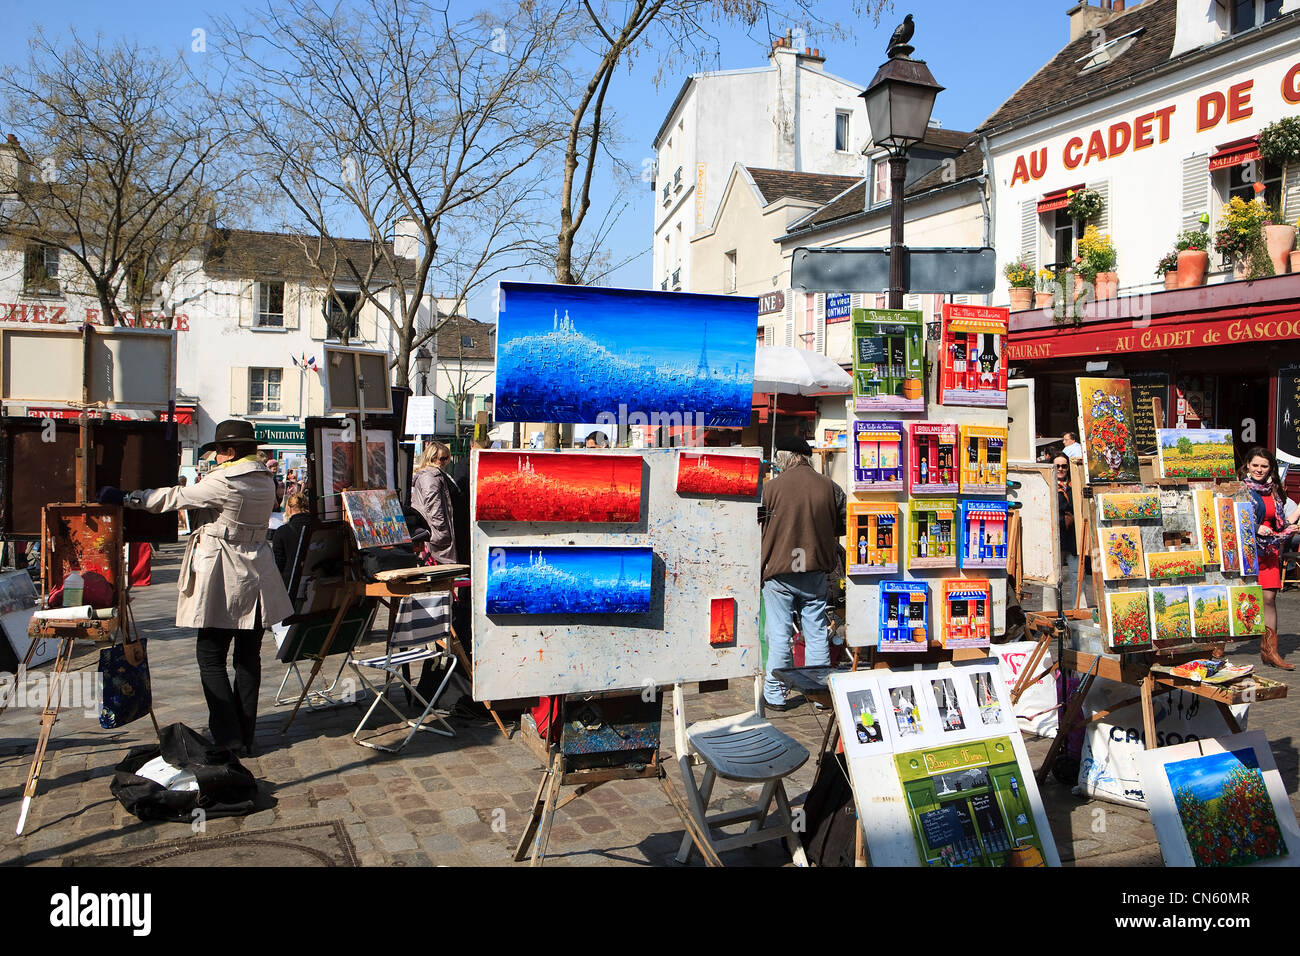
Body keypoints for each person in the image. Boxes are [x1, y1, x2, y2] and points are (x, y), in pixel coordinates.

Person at [98, 419, 293, 756]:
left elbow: (176, 498)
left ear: (229, 452)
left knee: (211, 655)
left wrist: (127, 497)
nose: (216, 459)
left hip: (226, 573)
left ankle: (228, 734)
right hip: (258, 570)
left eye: (219, 452)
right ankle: (246, 733)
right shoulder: (265, 477)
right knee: (247, 659)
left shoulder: (228, 479)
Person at [759, 435, 840, 711]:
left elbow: (756, 525)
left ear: (788, 456)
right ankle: (820, 697)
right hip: (814, 569)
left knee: (779, 635)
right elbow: (838, 524)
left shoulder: (771, 489)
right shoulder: (829, 487)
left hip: (779, 571)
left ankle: (775, 695)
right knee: (816, 633)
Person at [1241, 447, 1298, 670]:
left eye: (1264, 466)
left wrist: (1288, 527)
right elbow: (1232, 517)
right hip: (1245, 550)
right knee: (1237, 596)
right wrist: (1256, 527)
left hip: (1269, 551)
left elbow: (1279, 522)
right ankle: (1219, 649)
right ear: (1247, 465)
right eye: (1255, 465)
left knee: (1268, 599)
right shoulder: (1240, 490)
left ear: (1270, 469)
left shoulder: (1274, 491)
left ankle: (1270, 651)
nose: (1259, 470)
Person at [411, 441, 457, 564]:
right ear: (432, 458)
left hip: (440, 533)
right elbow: (433, 505)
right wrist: (441, 531)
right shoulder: (430, 476)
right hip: (438, 536)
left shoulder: (436, 475)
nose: (445, 462)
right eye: (442, 458)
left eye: (447, 458)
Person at [272, 492, 312, 588]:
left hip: (290, 583)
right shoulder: (317, 527)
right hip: (316, 581)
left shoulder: (282, 531)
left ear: (289, 508)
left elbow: (278, 564)